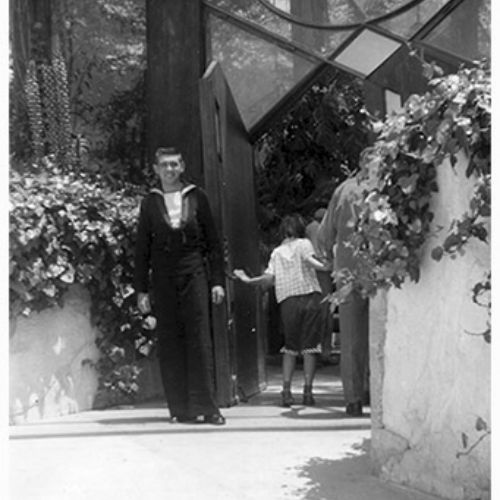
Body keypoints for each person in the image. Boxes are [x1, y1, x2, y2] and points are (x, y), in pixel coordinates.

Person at [134, 146, 226, 425]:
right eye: (164, 165)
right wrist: (141, 290)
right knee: (171, 340)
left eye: (174, 164)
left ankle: (208, 408)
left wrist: (217, 282)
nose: (170, 170)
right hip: (163, 278)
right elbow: (142, 248)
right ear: (156, 169)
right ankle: (180, 409)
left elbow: (213, 243)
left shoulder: (197, 196)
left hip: (193, 273)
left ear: (182, 166)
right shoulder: (150, 202)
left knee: (199, 338)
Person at [234, 214, 330, 408]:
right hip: (310, 297)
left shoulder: (276, 253)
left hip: (288, 301)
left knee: (290, 347)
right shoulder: (304, 244)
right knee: (310, 347)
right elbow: (310, 261)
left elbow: (268, 278)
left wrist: (247, 280)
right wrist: (327, 266)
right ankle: (308, 392)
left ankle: (286, 391)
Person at [316, 147, 378, 417]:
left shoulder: (343, 190)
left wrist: (332, 261)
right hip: (380, 270)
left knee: (351, 337)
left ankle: (353, 399)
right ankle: (378, 395)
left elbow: (324, 236)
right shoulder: (384, 188)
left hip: (347, 272)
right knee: (382, 333)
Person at [305, 208, 335, 358]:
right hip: (324, 270)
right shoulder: (324, 228)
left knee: (313, 311)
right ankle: (325, 351)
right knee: (325, 310)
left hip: (310, 271)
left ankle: (310, 350)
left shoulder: (308, 229)